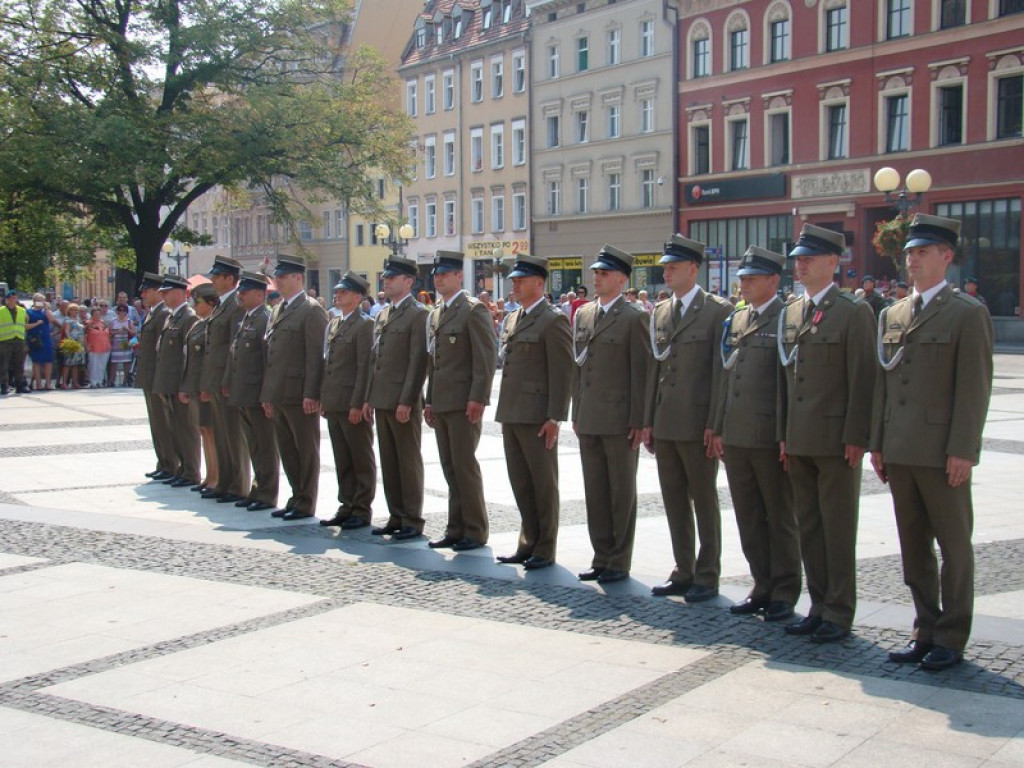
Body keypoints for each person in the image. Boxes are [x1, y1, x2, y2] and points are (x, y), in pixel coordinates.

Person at [871, 214, 994, 671]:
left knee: (954, 546)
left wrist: (963, 449)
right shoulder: (893, 313)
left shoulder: (967, 313)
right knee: (914, 546)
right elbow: (885, 382)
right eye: (909, 253)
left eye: (923, 252)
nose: (913, 260)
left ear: (947, 257)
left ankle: (952, 635)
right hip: (902, 449)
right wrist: (878, 442)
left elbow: (973, 387)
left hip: (943, 452)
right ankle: (924, 627)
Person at [778, 224, 875, 644]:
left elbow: (863, 378)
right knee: (810, 527)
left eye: (809, 259)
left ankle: (838, 610)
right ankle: (818, 605)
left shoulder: (853, 312)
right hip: (800, 439)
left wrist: (857, 435)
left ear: (833, 263)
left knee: (837, 529)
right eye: (798, 259)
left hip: (837, 442)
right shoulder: (793, 310)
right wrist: (784, 433)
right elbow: (787, 379)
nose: (800, 265)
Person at [711, 246, 801, 622]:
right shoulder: (738, 317)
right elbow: (725, 377)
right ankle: (761, 583)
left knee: (778, 516)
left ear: (773, 281)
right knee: (748, 515)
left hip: (767, 435)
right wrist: (717, 427)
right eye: (742, 279)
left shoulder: (786, 319)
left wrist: (785, 435)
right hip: (736, 434)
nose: (743, 284)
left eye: (751, 278)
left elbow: (788, 384)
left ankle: (784, 589)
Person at [643, 235, 733, 602]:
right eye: (665, 266)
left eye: (673, 266)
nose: (666, 271)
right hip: (666, 422)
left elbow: (720, 372)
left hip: (698, 424)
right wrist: (648, 419)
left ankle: (707, 573)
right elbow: (656, 368)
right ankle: (683, 569)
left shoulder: (717, 310)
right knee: (674, 499)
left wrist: (716, 423)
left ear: (693, 269)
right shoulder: (662, 311)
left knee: (703, 499)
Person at [572, 245, 649, 584]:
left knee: (620, 492)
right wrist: (577, 410)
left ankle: (619, 559)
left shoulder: (634, 317)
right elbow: (579, 368)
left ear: (621, 279)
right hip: (590, 416)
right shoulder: (584, 314)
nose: (597, 278)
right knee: (596, 491)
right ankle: (601, 554)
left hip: (619, 420)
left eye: (604, 273)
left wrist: (638, 419)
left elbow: (642, 373)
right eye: (596, 273)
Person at [494, 254, 573, 570]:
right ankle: (527, 541)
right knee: (521, 482)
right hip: (512, 413)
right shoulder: (514, 318)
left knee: (542, 483)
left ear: (539, 283)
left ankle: (545, 546)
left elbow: (562, 372)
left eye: (521, 279)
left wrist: (555, 416)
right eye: (514, 279)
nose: (515, 284)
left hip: (537, 416)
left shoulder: (553, 320)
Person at [423, 251, 497, 552]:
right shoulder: (437, 312)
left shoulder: (473, 310)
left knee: (464, 466)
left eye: (444, 274)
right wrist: (429, 400)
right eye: (436, 275)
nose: (438, 278)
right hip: (442, 401)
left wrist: (478, 397)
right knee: (450, 466)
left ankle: (475, 530)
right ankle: (455, 527)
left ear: (458, 277)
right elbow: (434, 361)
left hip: (464, 401)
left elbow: (485, 357)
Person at [363, 255, 430, 540]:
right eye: (385, 278)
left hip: (402, 400)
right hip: (382, 398)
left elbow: (418, 361)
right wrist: (369, 397)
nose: (385, 281)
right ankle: (396, 514)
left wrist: (407, 400)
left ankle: (412, 519)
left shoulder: (418, 314)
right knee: (389, 461)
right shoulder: (383, 314)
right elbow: (374, 361)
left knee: (407, 460)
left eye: (391, 278)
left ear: (409, 282)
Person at [260, 255, 328, 520]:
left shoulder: (311, 310)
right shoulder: (278, 310)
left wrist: (312, 392)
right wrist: (268, 394)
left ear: (298, 278)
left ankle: (306, 501)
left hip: (300, 394)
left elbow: (316, 356)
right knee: (287, 449)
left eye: (283, 276)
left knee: (305, 450)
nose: (277, 280)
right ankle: (295, 494)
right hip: (279, 393)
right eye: (277, 276)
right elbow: (272, 357)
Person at [319, 271, 376, 530]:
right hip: (335, 401)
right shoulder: (334, 323)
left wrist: (358, 402)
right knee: (342, 457)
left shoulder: (364, 325)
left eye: (343, 292)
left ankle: (361, 508)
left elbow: (365, 367)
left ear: (357, 296)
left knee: (359, 458)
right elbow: (328, 364)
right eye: (337, 291)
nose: (337, 295)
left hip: (350, 401)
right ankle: (346, 504)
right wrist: (324, 397)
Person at [224, 271, 279, 512]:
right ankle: (257, 489)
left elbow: (269, 362)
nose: (240, 296)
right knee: (253, 444)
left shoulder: (264, 319)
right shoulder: (246, 319)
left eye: (244, 293)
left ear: (259, 294)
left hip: (257, 394)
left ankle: (267, 492)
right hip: (244, 393)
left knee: (265, 445)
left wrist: (267, 395)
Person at [200, 256, 249, 505]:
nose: (213, 280)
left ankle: (238, 484)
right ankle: (226, 481)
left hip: (226, 380)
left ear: (230, 279)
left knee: (233, 434)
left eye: (217, 276)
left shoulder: (237, 306)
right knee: (221, 434)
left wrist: (227, 379)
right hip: (215, 379)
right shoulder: (221, 305)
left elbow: (233, 346)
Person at [152, 274, 200, 487]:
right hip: (169, 384)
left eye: (167, 292)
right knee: (175, 428)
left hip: (179, 384)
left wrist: (184, 385)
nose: (163, 296)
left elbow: (186, 356)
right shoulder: (171, 317)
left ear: (181, 293)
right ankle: (182, 468)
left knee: (186, 429)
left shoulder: (188, 317)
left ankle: (191, 470)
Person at [179, 283, 219, 493]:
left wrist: (205, 386)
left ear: (211, 303)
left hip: (205, 386)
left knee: (211, 432)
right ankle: (209, 475)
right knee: (203, 430)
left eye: (199, 302)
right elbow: (191, 360)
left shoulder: (211, 324)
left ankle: (216, 476)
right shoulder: (200, 324)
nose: (195, 305)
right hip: (196, 385)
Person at [136, 272, 176, 480]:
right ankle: (163, 462)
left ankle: (171, 463)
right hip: (149, 376)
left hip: (157, 376)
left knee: (163, 422)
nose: (143, 294)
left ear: (158, 292)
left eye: (147, 290)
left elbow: (164, 351)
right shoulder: (154, 312)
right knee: (156, 422)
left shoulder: (163, 314)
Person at [26, 293, 57, 391]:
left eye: (42, 300)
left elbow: (52, 320)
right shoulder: (28, 312)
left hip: (46, 338)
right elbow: (25, 326)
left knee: (48, 361)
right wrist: (36, 324)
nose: (40, 302)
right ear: (34, 301)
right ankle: (38, 384)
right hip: (35, 339)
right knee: (36, 361)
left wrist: (47, 308)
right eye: (39, 300)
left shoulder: (46, 312)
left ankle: (48, 384)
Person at [0, 291, 29, 395]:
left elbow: (24, 324)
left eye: (15, 298)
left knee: (19, 364)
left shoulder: (22, 310)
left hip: (19, 339)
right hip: (5, 340)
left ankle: (20, 385)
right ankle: (4, 386)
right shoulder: (1, 310)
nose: (13, 300)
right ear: (7, 299)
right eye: (11, 298)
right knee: (4, 364)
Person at [107, 304, 136, 386]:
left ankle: (125, 381)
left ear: (126, 312)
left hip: (126, 343)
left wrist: (127, 329)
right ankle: (112, 381)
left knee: (127, 363)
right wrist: (117, 332)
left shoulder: (129, 321)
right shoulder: (113, 321)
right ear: (117, 312)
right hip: (115, 344)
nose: (122, 313)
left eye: (124, 311)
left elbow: (134, 333)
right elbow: (109, 332)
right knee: (113, 363)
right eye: (120, 311)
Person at [60, 303, 87, 389]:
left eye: (76, 310)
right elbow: (67, 331)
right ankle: (64, 383)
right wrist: (71, 341)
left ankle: (75, 382)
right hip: (72, 343)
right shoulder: (68, 320)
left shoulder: (78, 320)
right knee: (68, 364)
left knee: (76, 364)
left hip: (79, 343)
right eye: (72, 310)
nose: (75, 311)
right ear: (69, 311)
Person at [85, 306, 111, 388]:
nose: (98, 316)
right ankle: (93, 382)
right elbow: (84, 335)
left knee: (102, 365)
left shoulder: (103, 323)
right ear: (92, 315)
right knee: (93, 365)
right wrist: (86, 346)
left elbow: (108, 334)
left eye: (99, 314)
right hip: (93, 347)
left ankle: (100, 381)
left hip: (105, 347)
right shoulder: (88, 323)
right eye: (96, 314)